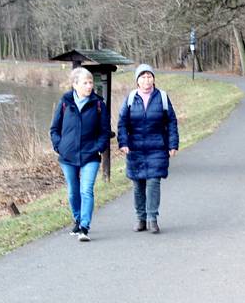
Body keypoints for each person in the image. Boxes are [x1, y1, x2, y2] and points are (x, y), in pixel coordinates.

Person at [50, 67, 110, 241]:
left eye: (91, 82)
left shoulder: (98, 104)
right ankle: (77, 219)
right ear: (75, 84)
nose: (89, 86)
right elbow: (54, 128)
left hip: (90, 155)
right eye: (85, 82)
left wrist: (99, 147)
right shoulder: (64, 102)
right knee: (73, 192)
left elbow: (105, 131)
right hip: (67, 156)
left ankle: (84, 227)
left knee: (87, 190)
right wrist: (59, 146)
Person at [118, 64, 179, 234]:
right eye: (143, 77)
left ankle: (152, 218)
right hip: (135, 148)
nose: (147, 80)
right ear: (137, 80)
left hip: (157, 147)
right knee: (138, 184)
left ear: (154, 79)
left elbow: (171, 122)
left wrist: (173, 144)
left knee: (153, 182)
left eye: (149, 77)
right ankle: (141, 218)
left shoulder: (163, 98)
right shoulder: (130, 99)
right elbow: (122, 122)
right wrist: (123, 142)